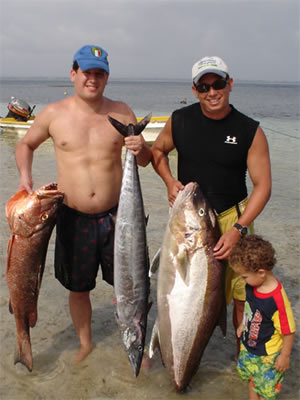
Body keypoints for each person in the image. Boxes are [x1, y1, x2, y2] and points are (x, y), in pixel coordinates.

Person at [15, 44, 152, 363]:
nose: (93, 78)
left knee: (134, 286)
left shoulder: (121, 111)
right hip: (72, 218)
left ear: (106, 77)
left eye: (100, 73)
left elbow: (144, 161)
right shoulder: (53, 114)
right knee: (78, 288)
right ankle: (85, 343)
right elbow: (26, 144)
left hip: (120, 218)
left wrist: (141, 148)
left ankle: (138, 346)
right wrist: (25, 178)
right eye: (87, 72)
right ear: (73, 73)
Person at [151, 56, 272, 358]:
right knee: (181, 291)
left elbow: (264, 186)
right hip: (188, 220)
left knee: (242, 293)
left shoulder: (249, 130)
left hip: (234, 217)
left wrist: (239, 229)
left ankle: (243, 356)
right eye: (203, 86)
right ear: (194, 90)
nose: (212, 92)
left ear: (230, 84)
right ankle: (178, 349)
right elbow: (158, 151)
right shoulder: (180, 120)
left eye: (218, 84)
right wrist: (168, 181)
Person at [229, 234, 295, 400]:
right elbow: (249, 306)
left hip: (268, 355)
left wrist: (284, 356)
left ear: (261, 273)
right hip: (250, 346)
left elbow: (288, 331)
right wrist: (244, 324)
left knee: (266, 390)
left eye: (244, 276)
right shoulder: (252, 285)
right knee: (252, 380)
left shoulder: (277, 300)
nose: (242, 279)